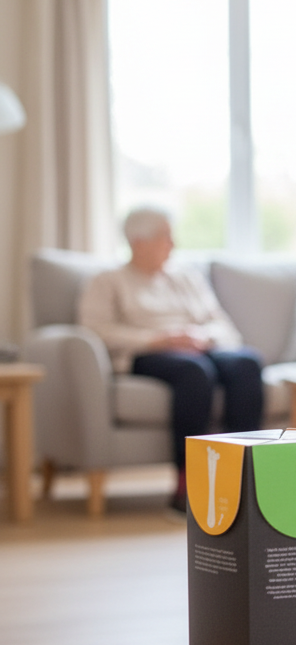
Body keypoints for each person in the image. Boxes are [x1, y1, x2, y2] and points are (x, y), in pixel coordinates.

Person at [78, 207, 264, 513]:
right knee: (194, 373)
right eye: (165, 237)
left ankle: (246, 474)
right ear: (139, 242)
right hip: (147, 354)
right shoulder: (108, 280)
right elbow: (96, 330)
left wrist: (200, 337)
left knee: (247, 363)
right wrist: (160, 339)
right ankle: (188, 484)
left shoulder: (186, 278)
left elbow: (223, 326)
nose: (172, 244)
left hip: (199, 346)